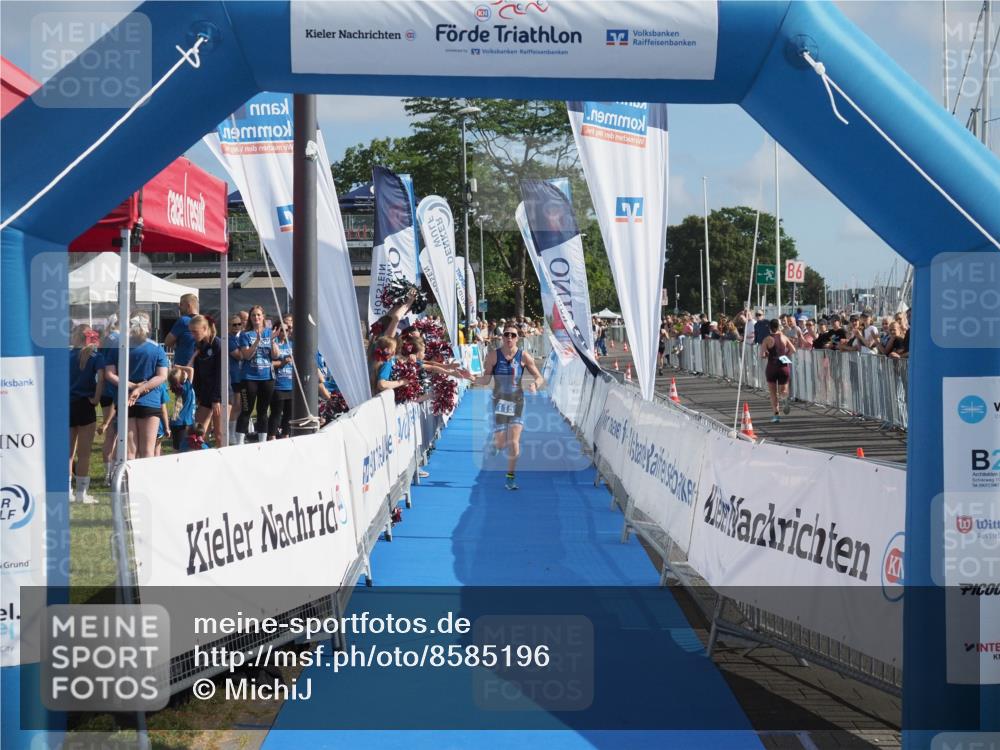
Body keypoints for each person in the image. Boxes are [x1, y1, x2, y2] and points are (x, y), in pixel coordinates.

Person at [473, 323, 546, 491]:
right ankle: (496, 444)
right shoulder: (493, 356)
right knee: (501, 443)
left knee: (513, 441)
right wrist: (470, 377)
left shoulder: (524, 356)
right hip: (499, 402)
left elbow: (539, 377)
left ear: (518, 338)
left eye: (513, 335)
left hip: (517, 402)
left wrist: (535, 385)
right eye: (507, 334)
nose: (509, 338)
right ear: (502, 337)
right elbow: (485, 380)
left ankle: (510, 477)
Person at [105, 316, 169, 459]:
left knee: (129, 452)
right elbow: (162, 376)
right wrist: (139, 389)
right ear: (149, 328)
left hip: (125, 400)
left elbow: (109, 374)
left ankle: (127, 475)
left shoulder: (118, 346)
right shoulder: (157, 348)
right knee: (148, 451)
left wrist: (133, 387)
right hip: (150, 401)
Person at [69, 324, 102, 504]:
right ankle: (81, 493)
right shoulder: (95, 357)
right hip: (85, 405)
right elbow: (102, 378)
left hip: (67, 405)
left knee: (68, 453)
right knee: (84, 454)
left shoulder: (66, 356)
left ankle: (67, 490)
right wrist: (96, 398)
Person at [238, 306, 275, 442]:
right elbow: (246, 355)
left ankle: (262, 442)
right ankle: (239, 442)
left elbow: (275, 355)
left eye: (258, 315)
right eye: (253, 315)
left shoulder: (270, 333)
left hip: (267, 377)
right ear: (250, 318)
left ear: (263, 316)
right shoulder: (245, 334)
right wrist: (257, 342)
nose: (256, 318)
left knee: (263, 411)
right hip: (249, 378)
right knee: (246, 410)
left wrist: (272, 340)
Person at [189, 314, 224, 443]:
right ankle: (204, 452)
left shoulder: (218, 344)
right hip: (205, 393)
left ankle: (223, 454)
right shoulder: (199, 345)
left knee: (219, 434)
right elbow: (197, 373)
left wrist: (216, 399)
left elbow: (221, 373)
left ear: (204, 328)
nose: (192, 335)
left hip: (220, 394)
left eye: (195, 331)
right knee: (199, 433)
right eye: (191, 332)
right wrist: (198, 394)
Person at [761, 318, 796, 423]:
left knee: (773, 393)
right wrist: (785, 354)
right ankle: (784, 398)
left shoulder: (767, 339)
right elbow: (793, 350)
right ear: (778, 327)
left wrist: (767, 354)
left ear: (770, 328)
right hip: (783, 366)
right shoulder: (784, 337)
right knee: (783, 390)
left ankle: (776, 415)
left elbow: (762, 355)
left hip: (772, 367)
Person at [269, 322, 294, 439]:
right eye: (282, 330)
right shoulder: (272, 344)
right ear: (276, 330)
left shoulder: (291, 345)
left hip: (290, 384)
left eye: (287, 330)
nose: (285, 333)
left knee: (289, 414)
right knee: (276, 413)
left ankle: (286, 436)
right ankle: (272, 437)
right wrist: (282, 362)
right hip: (278, 385)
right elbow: (269, 363)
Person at [164, 293, 199, 370]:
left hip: (183, 367)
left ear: (188, 305)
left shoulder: (183, 321)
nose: (179, 307)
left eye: (181, 304)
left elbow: (167, 342)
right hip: (200, 366)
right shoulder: (205, 321)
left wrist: (177, 346)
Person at [167, 365, 196, 451]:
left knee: (177, 450)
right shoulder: (186, 387)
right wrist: (178, 366)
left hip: (176, 422)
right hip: (184, 423)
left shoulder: (179, 388)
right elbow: (191, 369)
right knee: (184, 451)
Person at [227, 315, 246, 445]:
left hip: (244, 376)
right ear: (229, 325)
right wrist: (247, 350)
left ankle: (239, 432)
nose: (237, 327)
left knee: (244, 406)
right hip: (234, 376)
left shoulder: (243, 337)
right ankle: (230, 433)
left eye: (239, 324)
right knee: (236, 405)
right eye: (234, 324)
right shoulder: (229, 339)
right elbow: (239, 355)